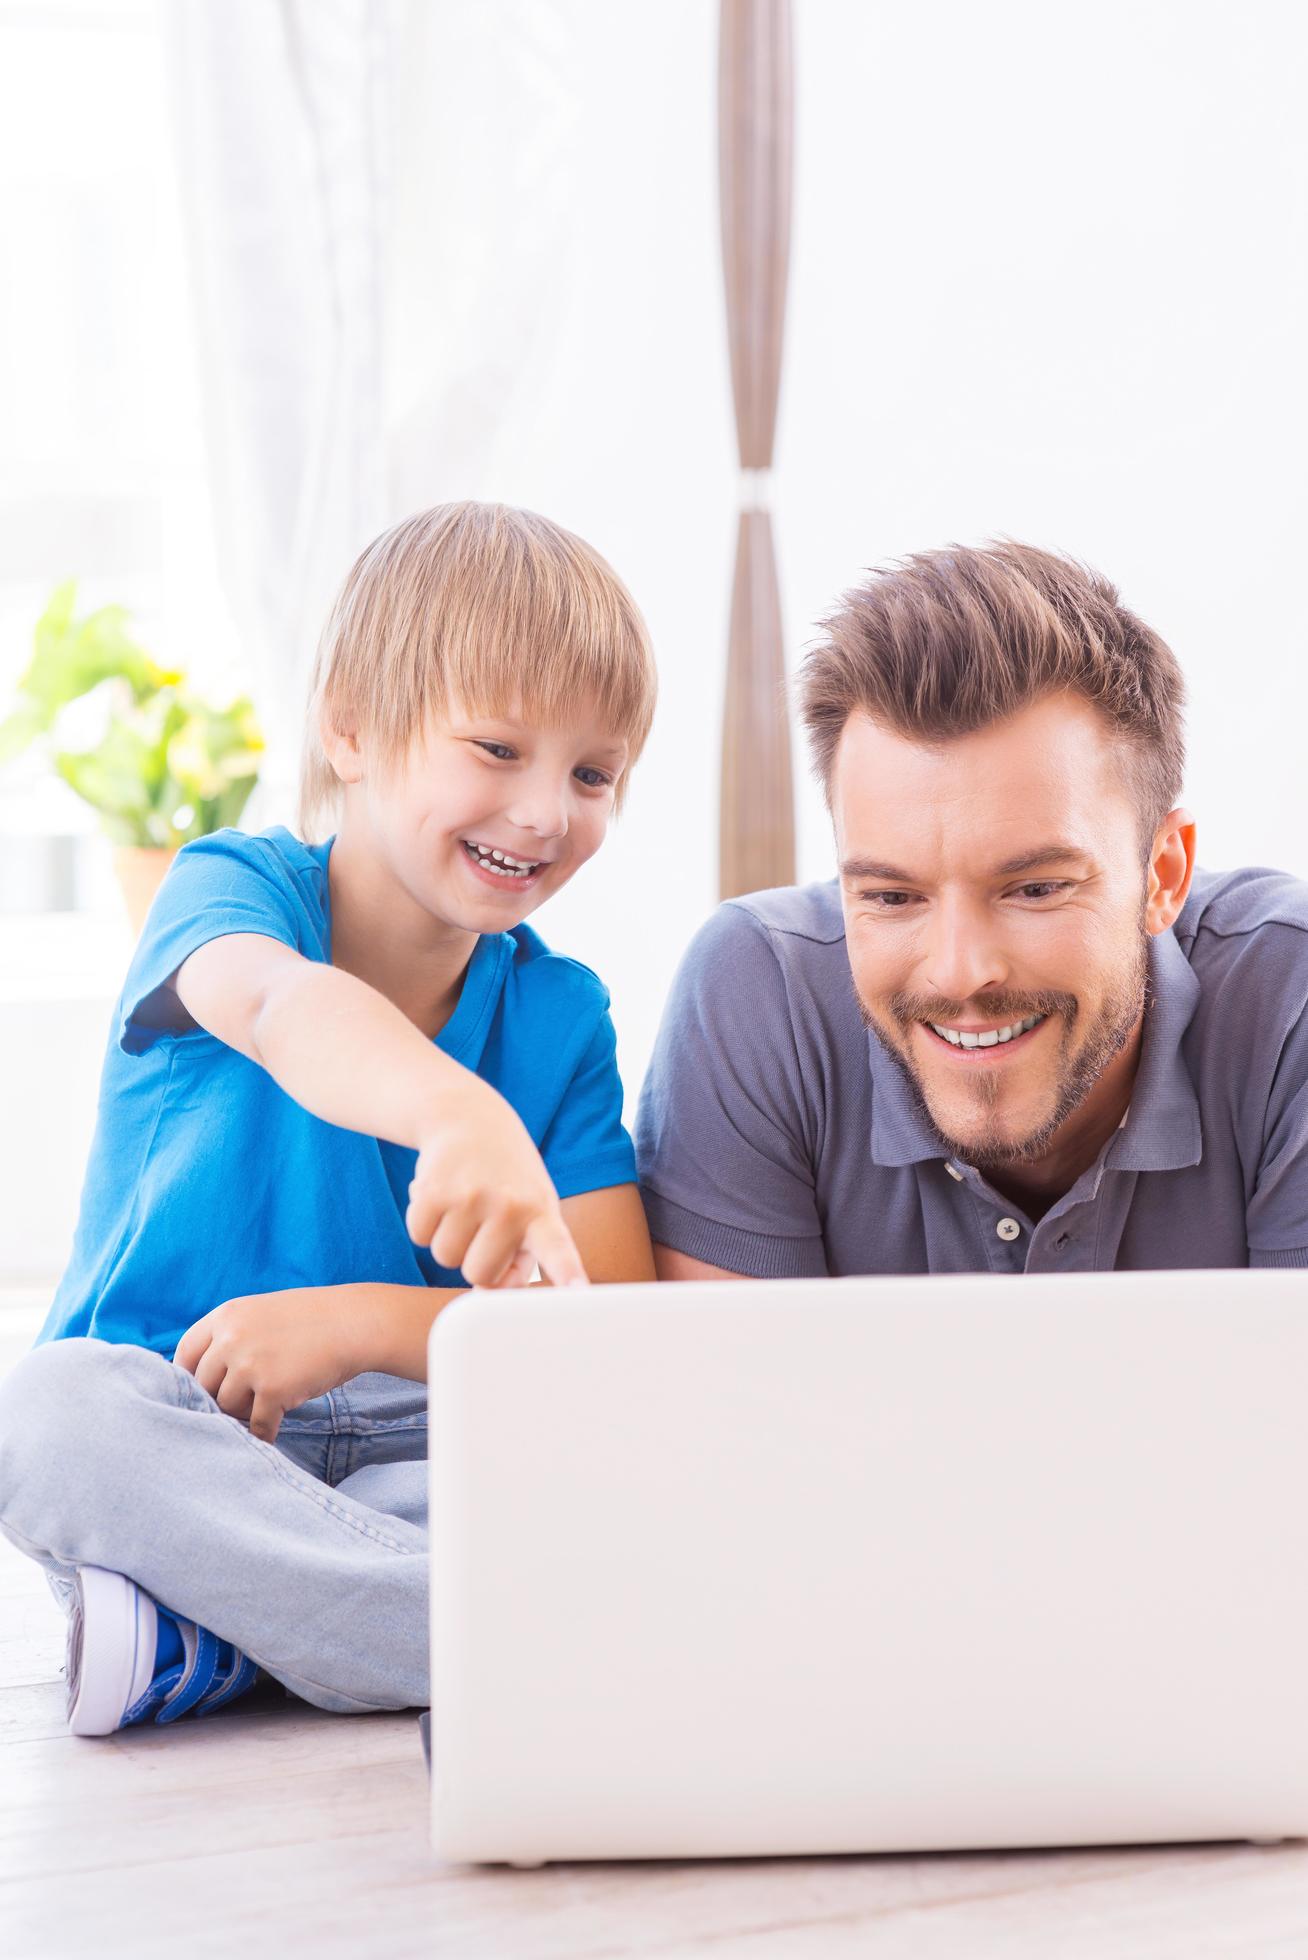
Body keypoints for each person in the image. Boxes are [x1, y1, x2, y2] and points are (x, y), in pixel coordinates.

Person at [0, 501, 658, 1734]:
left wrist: (353, 1323)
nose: (544, 811)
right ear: (350, 728)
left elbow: (602, 1324)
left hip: (415, 1449)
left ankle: (224, 1634)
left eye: (592, 772)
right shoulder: (232, 890)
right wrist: (459, 1111)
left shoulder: (563, 1014)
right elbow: (284, 1009)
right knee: (46, 1417)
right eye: (497, 747)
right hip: (181, 1421)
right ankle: (503, 1636)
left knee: (618, 1452)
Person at [638, 540, 1308, 1281]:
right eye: (892, 897)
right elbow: (722, 1393)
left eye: (1035, 889)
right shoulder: (759, 994)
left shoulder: (1289, 999)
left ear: (1163, 874)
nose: (961, 973)